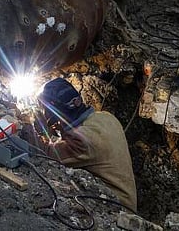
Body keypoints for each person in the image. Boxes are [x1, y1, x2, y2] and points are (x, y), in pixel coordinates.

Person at [24, 77, 138, 212]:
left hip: (117, 211)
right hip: (128, 202)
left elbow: (45, 154)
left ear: (54, 118)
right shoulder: (106, 117)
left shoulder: (81, 141)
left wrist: (27, 127)